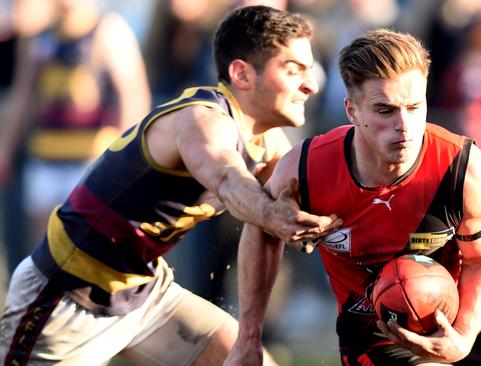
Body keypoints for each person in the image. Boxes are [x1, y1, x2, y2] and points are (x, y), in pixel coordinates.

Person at [0, 5, 340, 365]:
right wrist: (274, 215)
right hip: (67, 297)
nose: (311, 84)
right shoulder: (202, 120)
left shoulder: (267, 142)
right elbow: (228, 179)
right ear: (241, 73)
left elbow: (319, 195)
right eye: (293, 70)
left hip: (143, 292)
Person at [225, 29, 481, 365]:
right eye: (385, 110)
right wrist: (248, 337)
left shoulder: (463, 170)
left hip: (459, 318)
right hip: (373, 331)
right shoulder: (306, 169)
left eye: (414, 106)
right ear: (352, 111)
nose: (405, 126)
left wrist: (465, 336)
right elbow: (260, 232)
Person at [0, 0, 150, 268]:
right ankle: (50, 309)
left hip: (90, 162)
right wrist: (5, 149)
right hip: (45, 158)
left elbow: (133, 95)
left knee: (91, 251)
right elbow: (23, 96)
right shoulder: (41, 37)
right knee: (45, 253)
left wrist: (130, 158)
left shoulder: (108, 30)